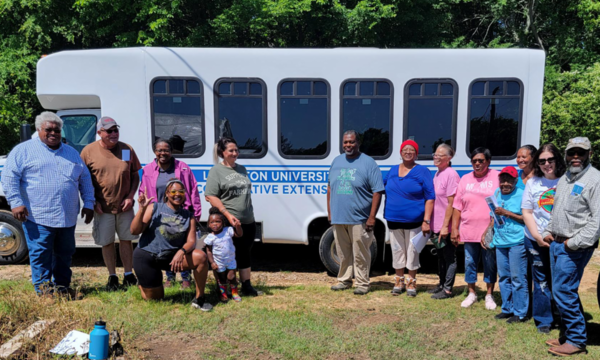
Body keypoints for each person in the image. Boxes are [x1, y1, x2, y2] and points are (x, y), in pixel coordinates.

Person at [1, 112, 95, 297]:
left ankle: (62, 288)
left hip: (67, 216)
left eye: (57, 130)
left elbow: (85, 179)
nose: (53, 133)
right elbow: (9, 177)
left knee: (65, 254)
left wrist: (89, 203)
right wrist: (16, 202)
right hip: (37, 216)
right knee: (40, 254)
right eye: (48, 129)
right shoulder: (23, 150)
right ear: (39, 130)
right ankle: (44, 292)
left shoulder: (71, 153)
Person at [542, 137, 600, 356]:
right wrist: (549, 231)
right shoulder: (567, 177)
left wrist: (573, 243)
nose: (576, 157)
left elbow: (597, 220)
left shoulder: (595, 179)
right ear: (565, 155)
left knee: (563, 291)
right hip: (557, 242)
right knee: (564, 292)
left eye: (581, 153)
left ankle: (576, 340)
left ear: (589, 154)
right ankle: (568, 335)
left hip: (573, 247)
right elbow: (556, 208)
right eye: (572, 153)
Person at [131, 180, 212, 311]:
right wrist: (142, 209)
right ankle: (144, 283)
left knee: (201, 257)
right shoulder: (154, 208)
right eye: (173, 191)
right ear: (167, 193)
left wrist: (181, 251)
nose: (177, 194)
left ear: (185, 194)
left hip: (171, 258)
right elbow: (134, 231)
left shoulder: (188, 216)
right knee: (155, 299)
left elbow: (191, 241)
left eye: (181, 191)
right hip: (147, 256)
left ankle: (200, 298)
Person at [80, 117, 141, 291]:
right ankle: (112, 276)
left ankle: (129, 274)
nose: (113, 134)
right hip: (102, 207)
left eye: (116, 130)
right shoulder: (88, 151)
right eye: (109, 131)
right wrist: (92, 201)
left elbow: (135, 174)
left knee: (126, 240)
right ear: (100, 133)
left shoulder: (126, 149)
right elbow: (83, 180)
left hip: (124, 206)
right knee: (106, 242)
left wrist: (130, 196)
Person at [139, 138, 203, 289]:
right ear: (155, 152)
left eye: (166, 150)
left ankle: (186, 277)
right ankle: (170, 276)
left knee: (182, 244)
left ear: (171, 151)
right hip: (159, 214)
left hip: (182, 213)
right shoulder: (148, 170)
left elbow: (193, 191)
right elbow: (143, 190)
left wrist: (196, 213)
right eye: (160, 150)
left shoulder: (183, 168)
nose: (163, 153)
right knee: (166, 243)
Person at [327, 130, 384, 295]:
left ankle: (362, 284)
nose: (348, 145)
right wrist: (330, 213)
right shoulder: (336, 161)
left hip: (360, 218)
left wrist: (372, 217)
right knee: (343, 252)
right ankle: (344, 280)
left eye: (351, 142)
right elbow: (330, 188)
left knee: (361, 253)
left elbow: (377, 191)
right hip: (339, 217)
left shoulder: (368, 163)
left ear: (358, 143)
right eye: (345, 142)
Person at [205, 136, 262, 296]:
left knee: (245, 252)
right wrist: (227, 215)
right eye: (231, 150)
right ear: (222, 152)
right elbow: (210, 196)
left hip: (247, 220)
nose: (235, 153)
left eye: (237, 150)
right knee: (225, 255)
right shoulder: (216, 171)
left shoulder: (242, 169)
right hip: (228, 222)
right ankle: (225, 287)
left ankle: (247, 286)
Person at [522, 143, 566, 334]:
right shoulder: (533, 182)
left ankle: (565, 317)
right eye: (542, 161)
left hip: (562, 239)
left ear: (557, 159)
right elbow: (527, 211)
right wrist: (537, 236)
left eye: (550, 159)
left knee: (562, 279)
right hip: (535, 238)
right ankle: (544, 320)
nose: (547, 164)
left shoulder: (567, 180)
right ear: (537, 163)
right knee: (541, 280)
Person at [383, 140, 434, 297]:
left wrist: (426, 221)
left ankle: (411, 281)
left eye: (412, 150)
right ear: (400, 152)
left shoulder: (422, 171)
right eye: (405, 149)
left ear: (416, 153)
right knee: (397, 250)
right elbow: (380, 188)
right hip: (393, 219)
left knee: (412, 251)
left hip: (415, 221)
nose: (408, 152)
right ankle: (398, 280)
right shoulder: (392, 170)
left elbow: (430, 197)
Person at [452, 147, 498, 309]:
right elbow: (457, 206)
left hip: (490, 230)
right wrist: (455, 229)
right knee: (470, 262)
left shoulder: (497, 176)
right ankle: (471, 292)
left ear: (488, 162)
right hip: (468, 229)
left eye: (481, 161)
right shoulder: (465, 179)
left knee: (489, 263)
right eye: (474, 161)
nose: (477, 164)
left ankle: (489, 295)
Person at [483, 167, 528, 323]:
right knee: (503, 277)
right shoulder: (496, 193)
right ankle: (507, 309)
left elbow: (526, 219)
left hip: (517, 242)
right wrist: (488, 232)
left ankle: (520, 312)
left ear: (516, 181)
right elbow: (493, 216)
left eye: (509, 180)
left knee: (517, 278)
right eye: (503, 180)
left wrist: (507, 213)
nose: (505, 183)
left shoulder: (522, 195)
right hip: (500, 242)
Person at [430, 144, 460, 300]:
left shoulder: (451, 174)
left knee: (449, 257)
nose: (436, 157)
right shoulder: (437, 174)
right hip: (436, 224)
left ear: (449, 158)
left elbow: (452, 203)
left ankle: (448, 289)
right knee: (440, 256)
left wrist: (445, 227)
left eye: (440, 155)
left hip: (445, 225)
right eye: (435, 154)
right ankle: (441, 284)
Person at [205, 207, 243, 303]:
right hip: (219, 262)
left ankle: (234, 293)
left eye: (218, 221)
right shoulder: (210, 237)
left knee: (232, 277)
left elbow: (239, 235)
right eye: (212, 222)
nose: (215, 224)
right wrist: (212, 262)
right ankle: (223, 294)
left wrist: (238, 226)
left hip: (230, 260)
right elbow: (208, 251)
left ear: (223, 222)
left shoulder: (228, 231)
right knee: (221, 278)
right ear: (209, 224)